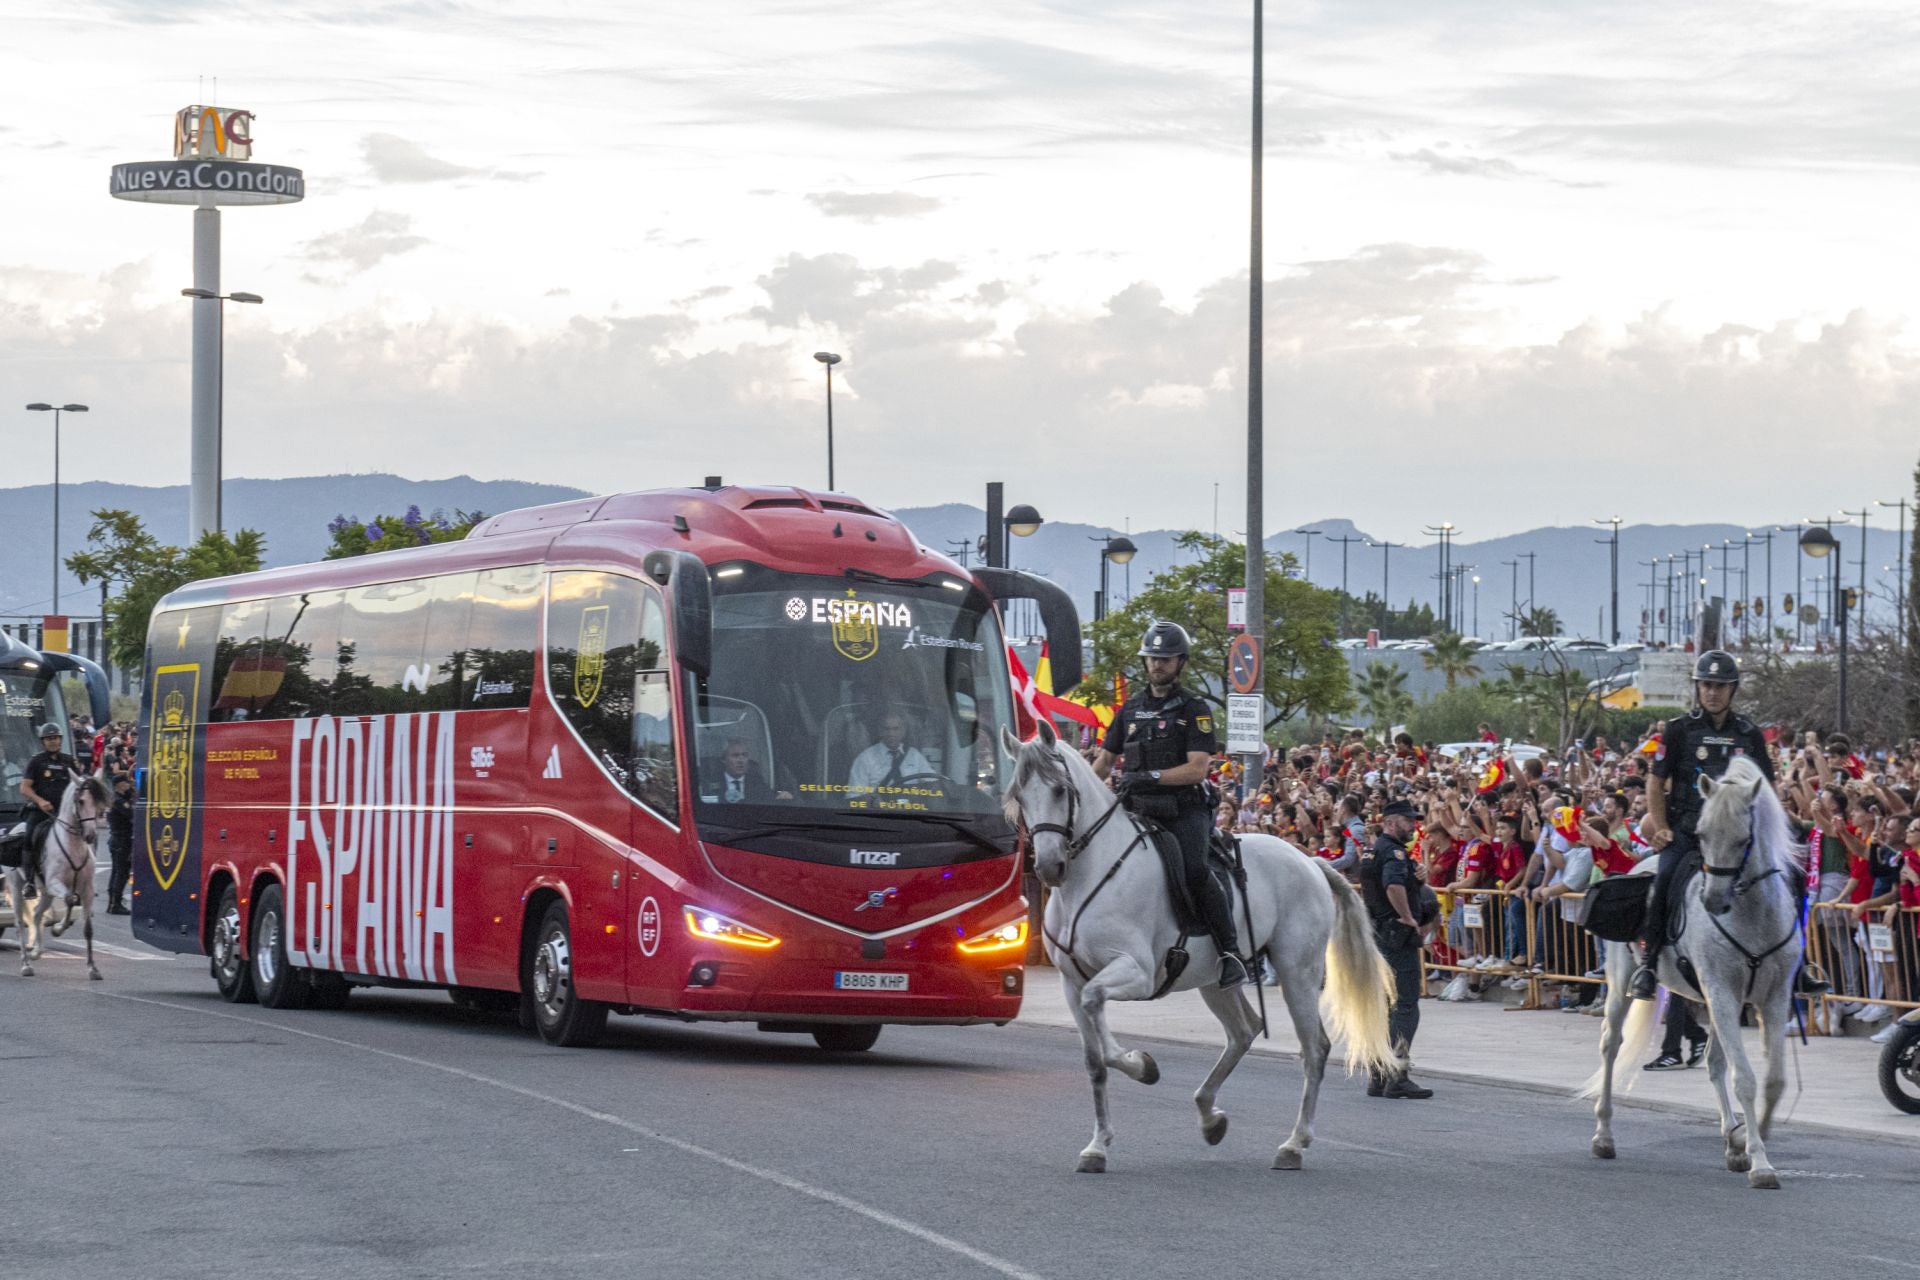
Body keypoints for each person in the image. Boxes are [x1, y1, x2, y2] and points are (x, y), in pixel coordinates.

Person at [1629, 650, 1823, 1000]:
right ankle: (1649, 961)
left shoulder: (1749, 734)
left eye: (1720, 686)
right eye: (1706, 685)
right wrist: (1659, 827)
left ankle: (1800, 965)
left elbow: (1765, 788)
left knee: (1791, 878)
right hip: (1689, 830)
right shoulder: (1677, 730)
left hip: (1737, 836)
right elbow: (1656, 782)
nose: (1712, 692)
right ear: (1698, 688)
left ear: (1733, 689)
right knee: (1665, 880)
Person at [1090, 621, 1249, 989]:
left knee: (1194, 869)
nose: (1157, 665)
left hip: (1184, 810)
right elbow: (1103, 761)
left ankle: (1230, 952)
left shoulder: (1195, 709)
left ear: (1181, 663)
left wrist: (1153, 777)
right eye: (1152, 659)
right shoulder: (1130, 710)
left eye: (1166, 659)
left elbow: (1198, 768)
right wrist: (1077, 787)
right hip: (1138, 809)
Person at [1359, 797, 1433, 1098]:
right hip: (1396, 936)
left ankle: (1378, 1073)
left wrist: (1418, 880)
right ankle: (1397, 1074)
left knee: (1384, 1007)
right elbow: (1392, 885)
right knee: (1405, 1006)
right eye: (1407, 820)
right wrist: (1406, 916)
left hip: (1377, 934)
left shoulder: (1372, 852)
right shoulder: (1393, 853)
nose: (1412, 825)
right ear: (1390, 822)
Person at [20, 723, 82, 871]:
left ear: (60, 740)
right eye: (48, 739)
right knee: (29, 837)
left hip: (65, 811)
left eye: (55, 738)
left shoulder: (69, 761)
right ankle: (30, 881)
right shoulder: (36, 761)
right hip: (41, 811)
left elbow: (79, 784)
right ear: (43, 742)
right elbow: (24, 787)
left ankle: (85, 875)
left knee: (88, 833)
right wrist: (40, 801)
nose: (52, 741)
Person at [848, 709, 934, 796]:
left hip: (911, 807)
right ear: (880, 731)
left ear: (903, 731)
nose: (891, 733)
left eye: (896, 729)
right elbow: (854, 796)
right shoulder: (865, 758)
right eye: (886, 729)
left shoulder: (915, 756)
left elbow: (932, 785)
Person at [706, 737, 774, 804]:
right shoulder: (712, 781)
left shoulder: (756, 781)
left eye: (744, 755)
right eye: (735, 755)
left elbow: (772, 798)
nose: (741, 760)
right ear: (723, 760)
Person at [106, 771, 134, 914]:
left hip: (118, 839)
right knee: (121, 872)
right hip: (121, 840)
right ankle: (115, 903)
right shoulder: (119, 801)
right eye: (126, 782)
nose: (128, 785)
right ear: (119, 785)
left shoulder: (118, 798)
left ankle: (112, 902)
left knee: (117, 871)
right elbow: (132, 814)